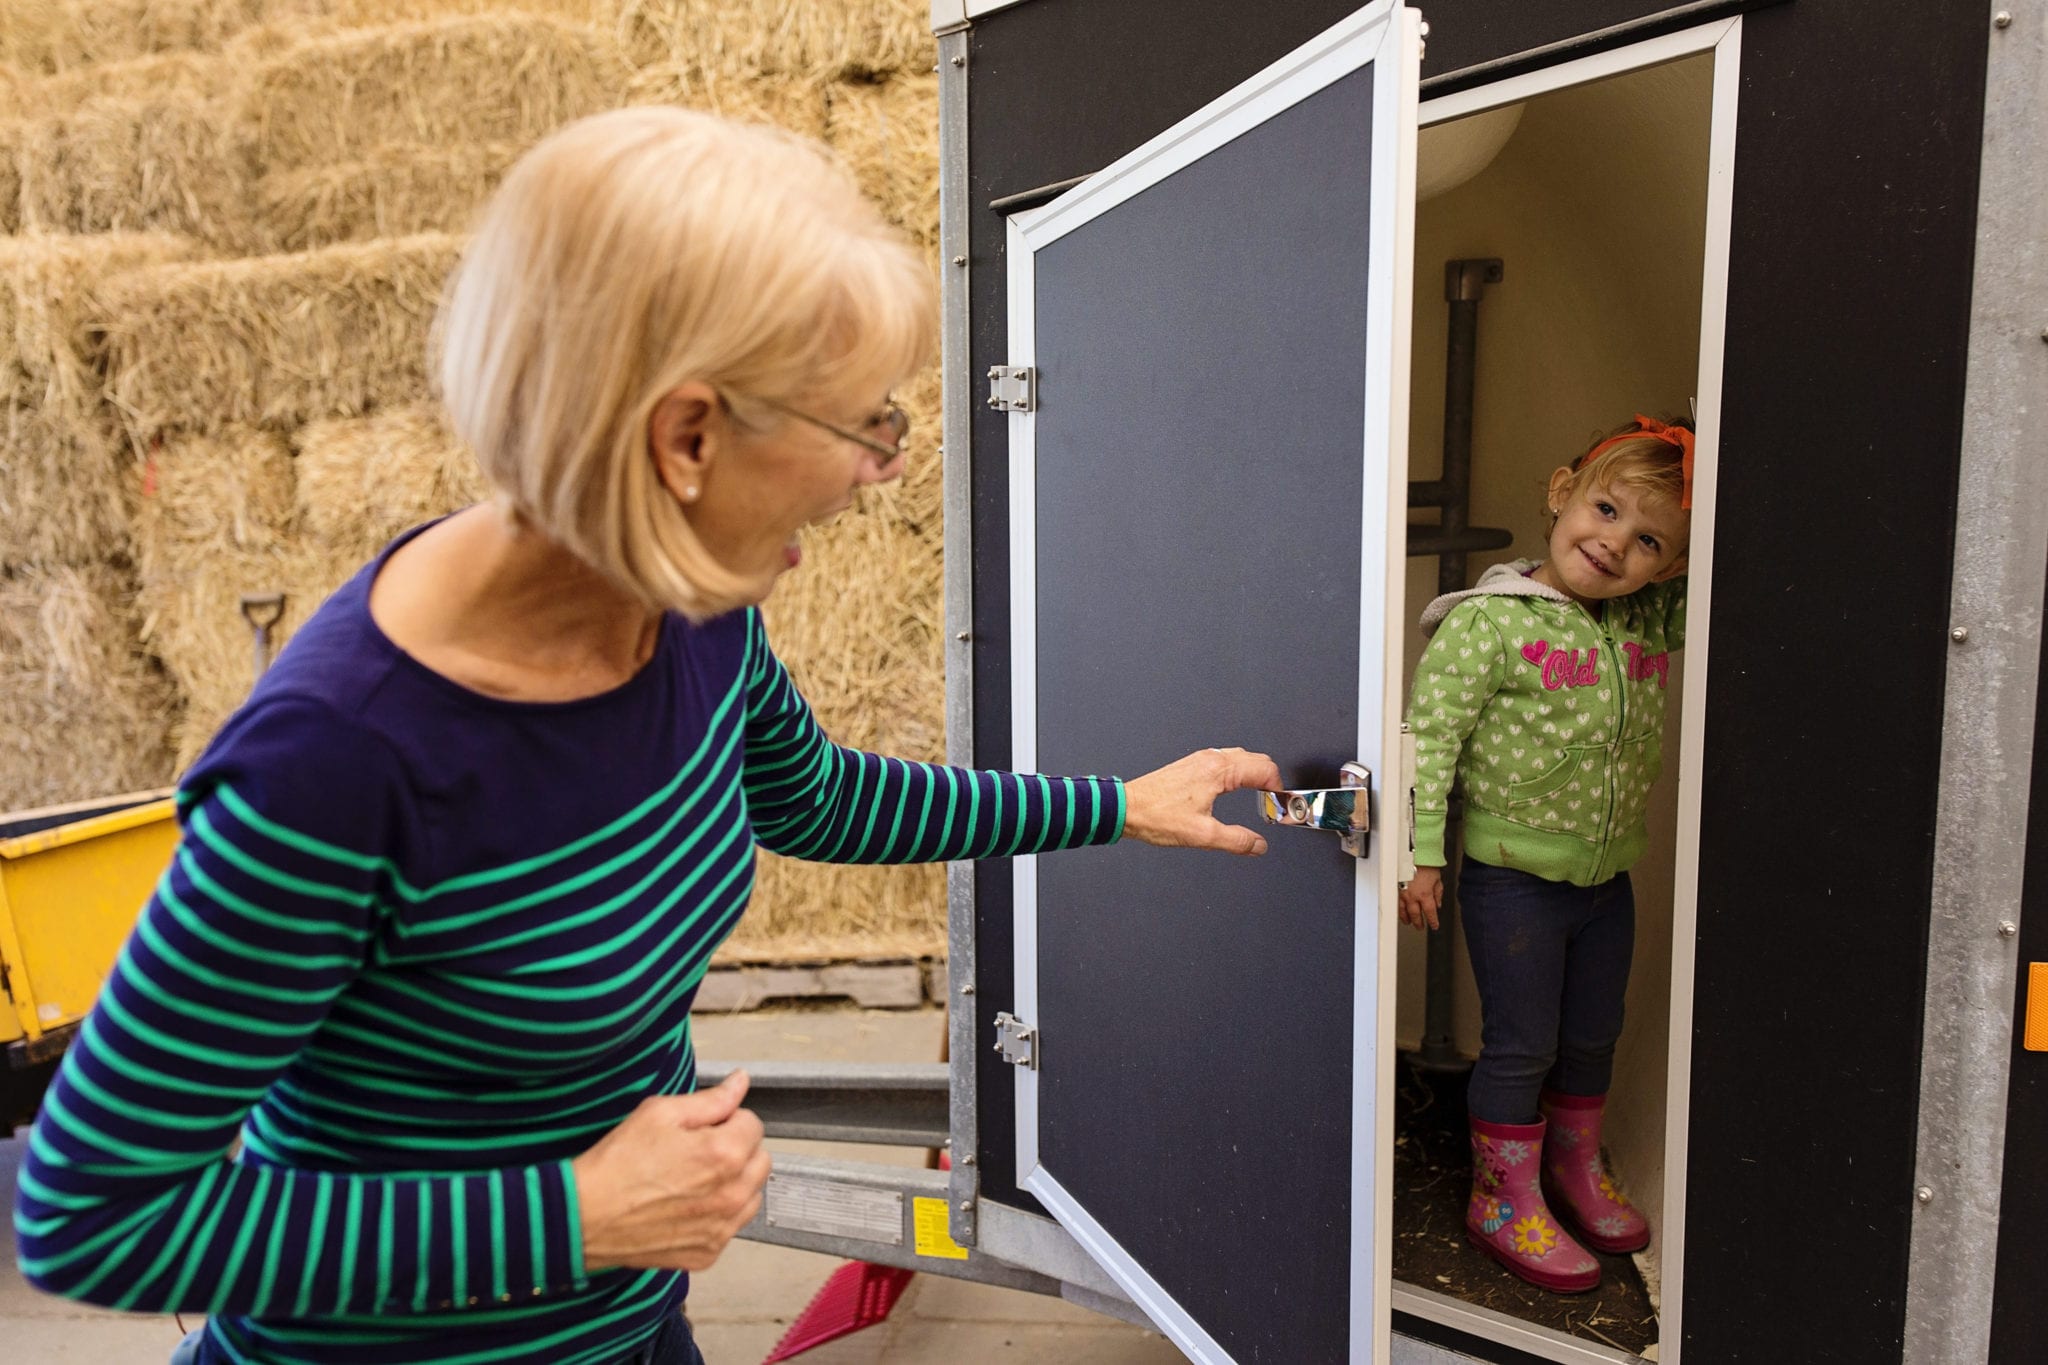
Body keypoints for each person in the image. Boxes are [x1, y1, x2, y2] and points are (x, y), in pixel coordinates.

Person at [11, 108, 1280, 1365]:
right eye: (860, 428)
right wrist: (570, 1216)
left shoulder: (686, 615)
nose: (876, 471)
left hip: (630, 1326)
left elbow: (817, 801)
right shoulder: (340, 763)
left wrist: (1115, 804)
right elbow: (91, 1218)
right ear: (685, 438)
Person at [1397, 415, 1692, 1294]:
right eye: (1603, 509)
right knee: (1522, 1044)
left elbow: (1731, 559)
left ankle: (1571, 1167)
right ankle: (1501, 1194)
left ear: (1667, 566)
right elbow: (1430, 741)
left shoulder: (1644, 615)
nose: (1614, 545)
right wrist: (1423, 856)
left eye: (1648, 540)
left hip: (1607, 881)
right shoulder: (1489, 624)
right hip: (1512, 883)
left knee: (1594, 1034)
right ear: (1562, 492)